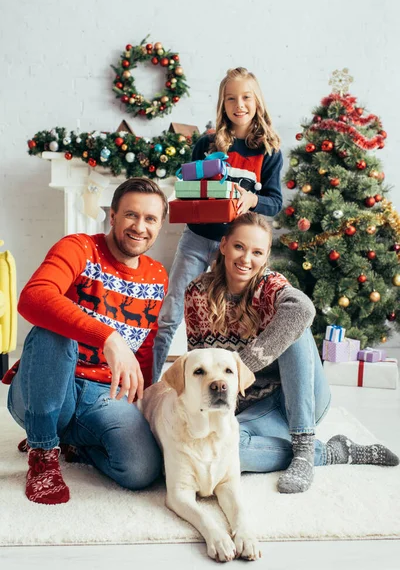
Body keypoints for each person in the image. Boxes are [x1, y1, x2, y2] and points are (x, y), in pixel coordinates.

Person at [184, 211, 399, 494]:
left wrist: (244, 366)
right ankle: (332, 452)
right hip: (252, 408)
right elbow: (199, 363)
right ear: (223, 245)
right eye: (239, 247)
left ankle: (304, 444)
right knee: (226, 451)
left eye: (257, 252)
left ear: (266, 256)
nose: (246, 259)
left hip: (303, 396)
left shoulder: (269, 285)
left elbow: (303, 309)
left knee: (295, 321)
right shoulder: (197, 293)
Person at [2, 178, 169, 505]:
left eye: (150, 219)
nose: (140, 226)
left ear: (160, 225)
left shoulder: (157, 275)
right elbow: (33, 298)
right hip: (47, 384)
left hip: (103, 395)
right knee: (54, 327)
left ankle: (70, 441)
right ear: (113, 216)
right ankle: (43, 451)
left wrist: (143, 403)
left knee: (141, 470)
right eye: (131, 215)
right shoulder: (79, 247)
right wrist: (108, 337)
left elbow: (144, 349)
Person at [152, 67, 283, 381]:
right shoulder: (209, 143)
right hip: (197, 240)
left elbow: (275, 202)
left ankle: (237, 386)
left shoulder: (269, 150)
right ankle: (148, 385)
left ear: (257, 101)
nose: (239, 104)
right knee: (170, 314)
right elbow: (189, 186)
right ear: (222, 104)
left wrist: (250, 199)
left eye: (246, 97)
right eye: (231, 98)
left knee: (234, 318)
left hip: (237, 249)